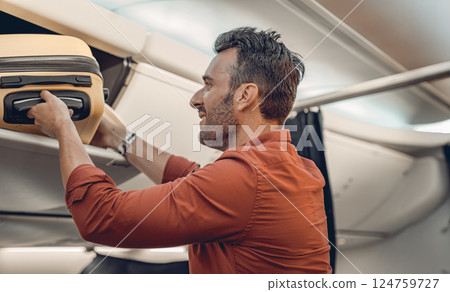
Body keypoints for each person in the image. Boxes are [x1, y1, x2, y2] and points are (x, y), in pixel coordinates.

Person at [27, 27, 332, 273]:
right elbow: (192, 178)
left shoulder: (248, 178)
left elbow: (100, 217)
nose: (196, 99)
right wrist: (119, 139)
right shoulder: (296, 167)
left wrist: (64, 128)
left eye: (209, 85)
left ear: (245, 96)